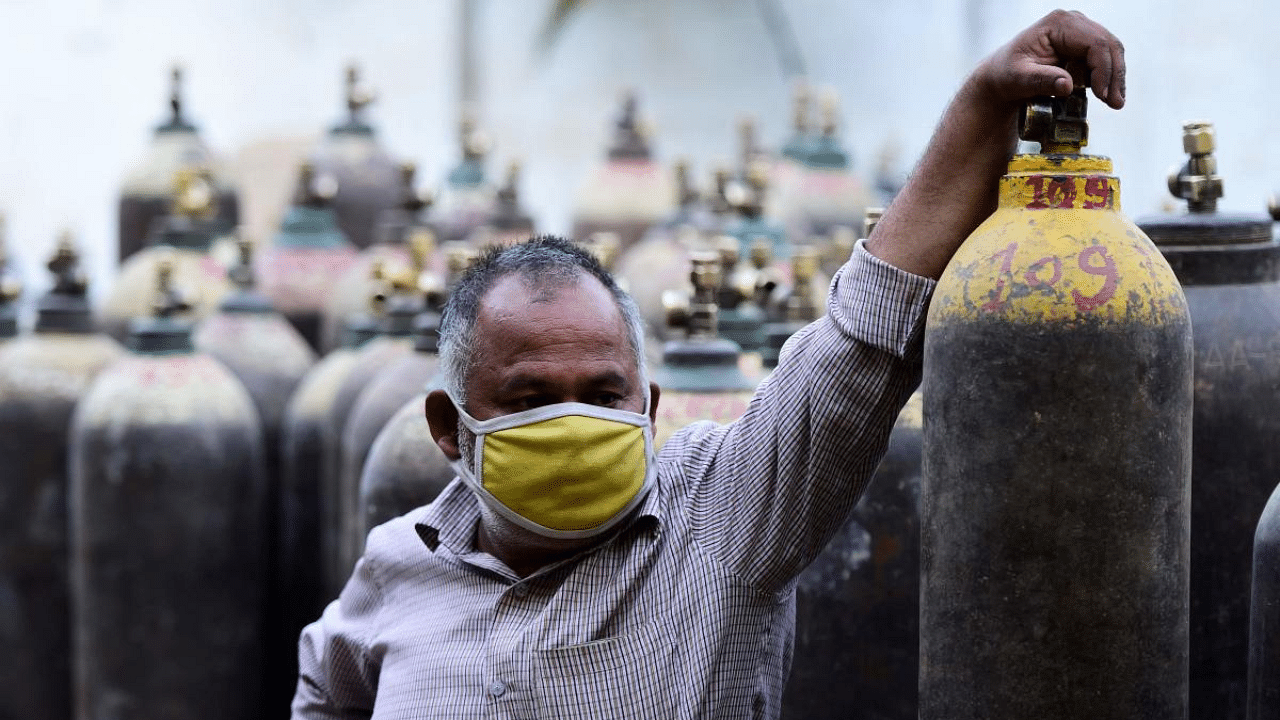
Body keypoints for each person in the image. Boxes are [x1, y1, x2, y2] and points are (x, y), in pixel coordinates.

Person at [292, 10, 1126, 719]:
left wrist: (987, 100)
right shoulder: (401, 562)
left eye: (603, 393)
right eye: (530, 398)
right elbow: (323, 686)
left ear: (648, 407)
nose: (573, 421)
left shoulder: (722, 523)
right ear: (449, 427)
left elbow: (861, 337)